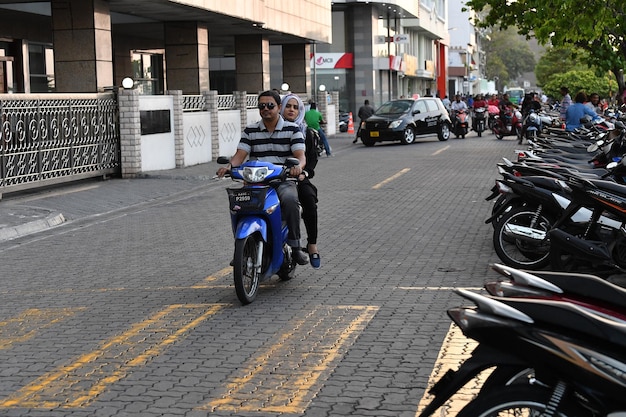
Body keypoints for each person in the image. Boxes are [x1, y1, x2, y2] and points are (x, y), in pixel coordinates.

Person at [216, 90, 309, 265]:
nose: (265, 109)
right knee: (237, 205)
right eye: (261, 106)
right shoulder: (250, 130)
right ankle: (240, 249)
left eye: (270, 105)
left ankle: (296, 247)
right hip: (255, 182)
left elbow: (300, 156)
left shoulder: (293, 129)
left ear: (278, 107)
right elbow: (239, 155)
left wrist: (297, 167)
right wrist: (229, 167)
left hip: (282, 180)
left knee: (290, 200)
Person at [280, 93, 322, 269]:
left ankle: (311, 245)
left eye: (295, 107)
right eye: (288, 106)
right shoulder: (273, 128)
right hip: (273, 177)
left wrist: (304, 173)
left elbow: (311, 160)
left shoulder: (308, 133)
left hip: (298, 177)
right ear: (281, 108)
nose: (291, 110)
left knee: (309, 201)